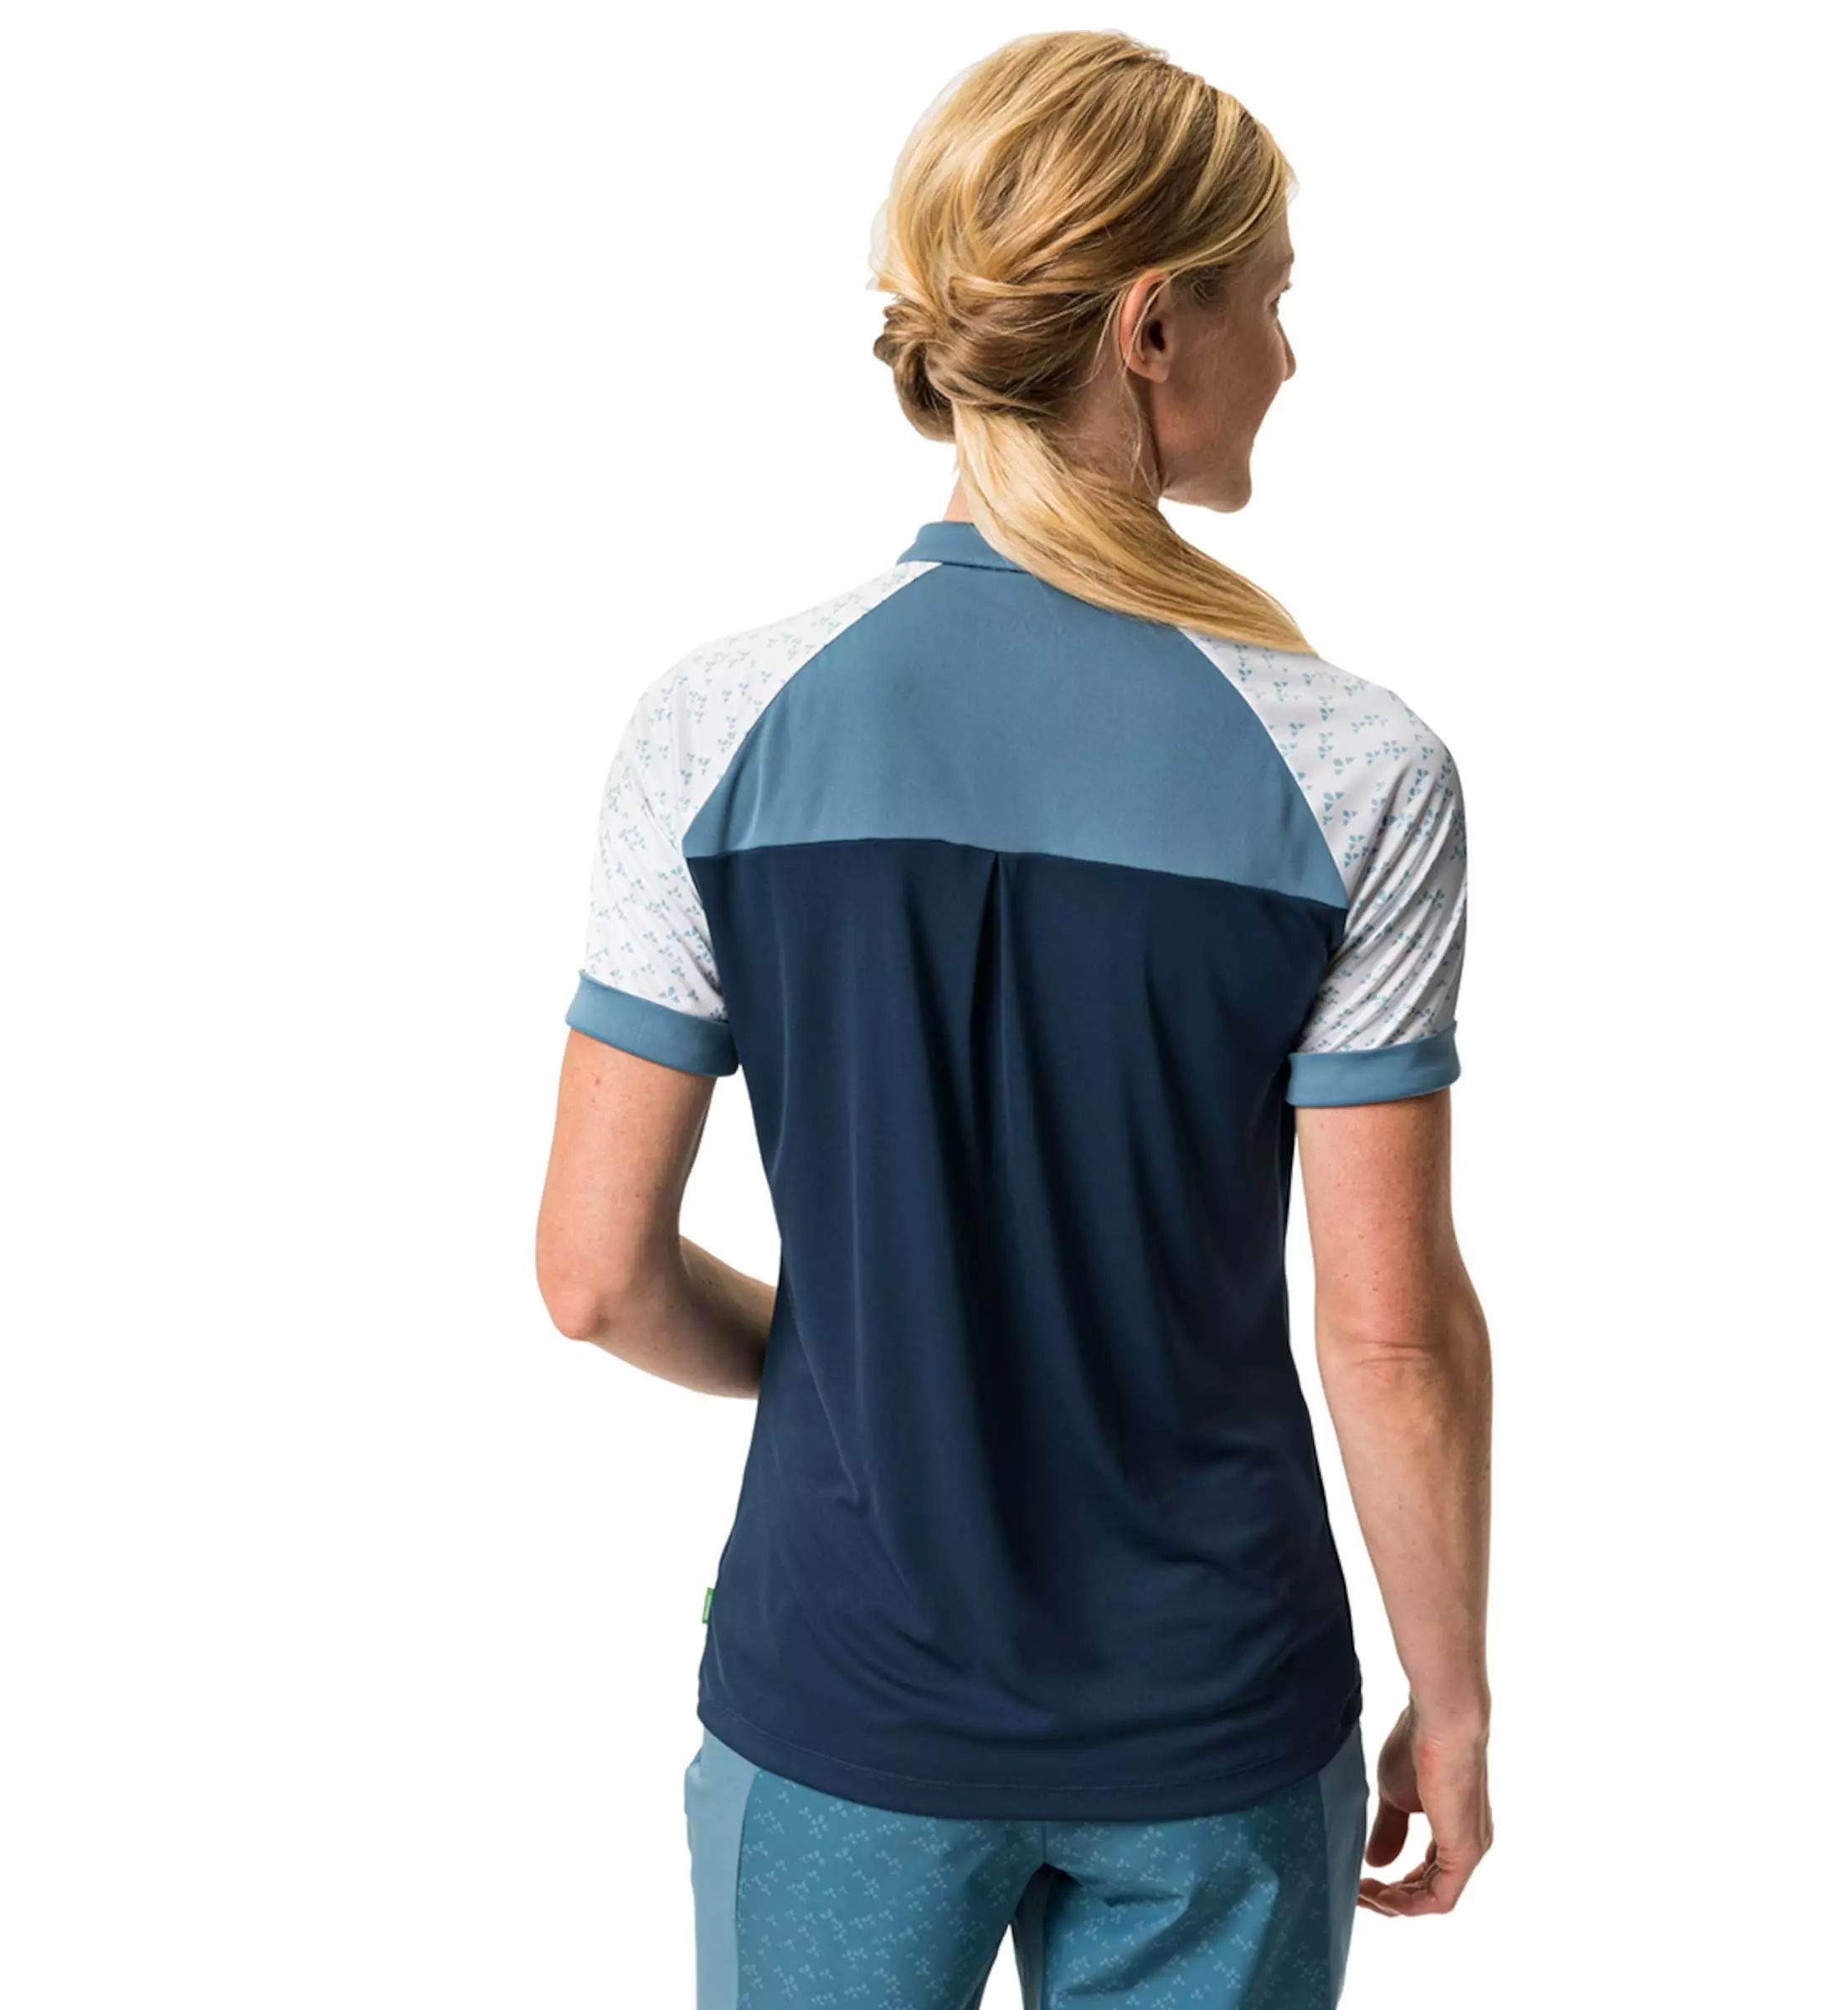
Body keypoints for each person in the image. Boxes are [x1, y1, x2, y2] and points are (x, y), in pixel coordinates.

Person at [535, 29, 1492, 2008]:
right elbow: (1388, 1336)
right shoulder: (1355, 770)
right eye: (1272, 297)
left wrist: (859, 1366)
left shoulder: (718, 725)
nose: (1290, 355)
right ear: (1152, 326)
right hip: (1214, 1729)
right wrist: (1456, 1697)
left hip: (839, 1702)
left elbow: (593, 1277)